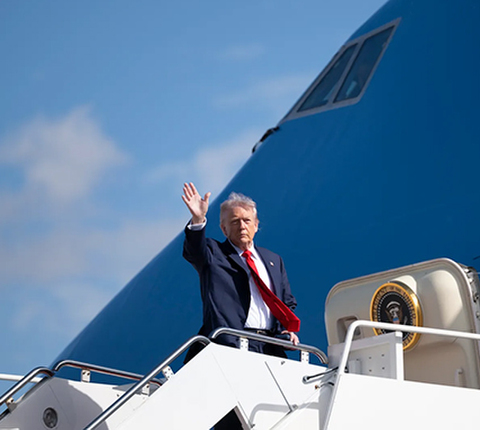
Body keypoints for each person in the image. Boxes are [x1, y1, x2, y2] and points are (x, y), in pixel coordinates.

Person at [182, 182, 300, 358]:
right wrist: (198, 219)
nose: (242, 226)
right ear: (224, 229)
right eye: (235, 221)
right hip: (231, 344)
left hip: (270, 346)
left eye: (247, 220)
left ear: (256, 225)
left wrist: (286, 329)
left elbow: (286, 302)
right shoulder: (214, 253)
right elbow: (194, 251)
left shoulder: (274, 260)